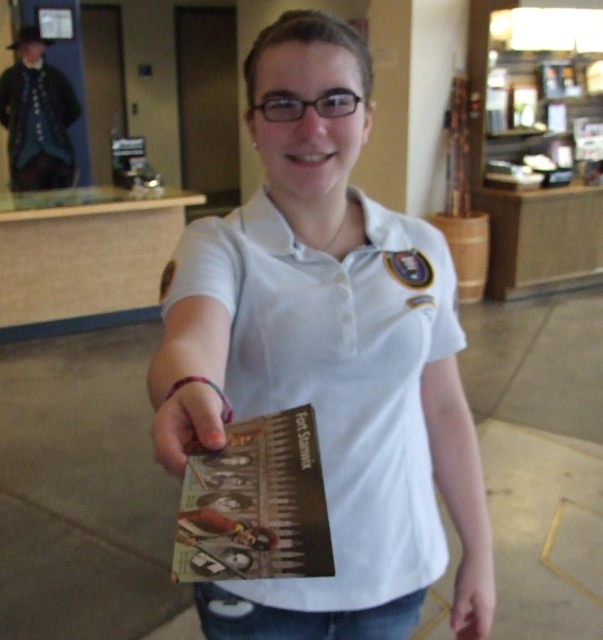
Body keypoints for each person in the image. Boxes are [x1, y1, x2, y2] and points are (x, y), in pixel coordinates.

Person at [148, 9, 495, 640]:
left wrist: (481, 550)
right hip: (251, 557)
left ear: (367, 117)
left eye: (336, 100)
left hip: (392, 559)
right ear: (252, 123)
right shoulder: (219, 244)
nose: (312, 127)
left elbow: (442, 407)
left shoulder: (418, 246)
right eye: (281, 103)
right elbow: (193, 337)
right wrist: (186, 387)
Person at [0, 25, 81, 192]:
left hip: (57, 153)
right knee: (30, 202)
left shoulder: (55, 76)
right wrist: (17, 128)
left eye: (33, 45)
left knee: (61, 201)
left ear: (41, 47)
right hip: (26, 157)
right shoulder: (10, 77)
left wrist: (57, 127)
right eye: (25, 47)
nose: (29, 50)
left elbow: (74, 110)